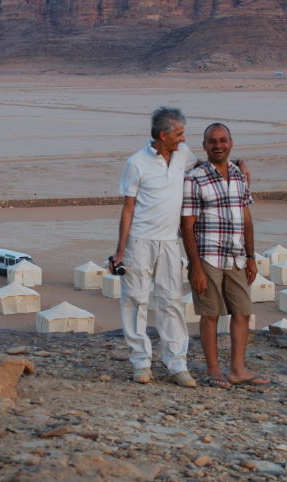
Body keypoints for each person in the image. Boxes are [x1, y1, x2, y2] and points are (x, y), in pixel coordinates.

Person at [111, 107, 199, 387]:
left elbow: (200, 168)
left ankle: (177, 364)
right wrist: (120, 250)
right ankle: (141, 364)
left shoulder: (184, 155)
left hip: (170, 242)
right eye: (179, 133)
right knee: (136, 300)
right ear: (163, 135)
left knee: (171, 301)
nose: (184, 139)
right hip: (139, 242)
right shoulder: (136, 163)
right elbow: (128, 209)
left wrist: (238, 165)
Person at [181, 123, 268, 388]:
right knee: (210, 314)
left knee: (242, 311)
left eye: (222, 140)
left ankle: (238, 369)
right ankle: (214, 370)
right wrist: (195, 267)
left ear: (231, 142)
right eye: (212, 141)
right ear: (205, 145)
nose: (218, 145)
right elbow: (186, 226)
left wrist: (251, 256)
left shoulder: (239, 175)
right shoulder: (194, 178)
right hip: (208, 256)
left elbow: (246, 217)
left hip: (236, 255)